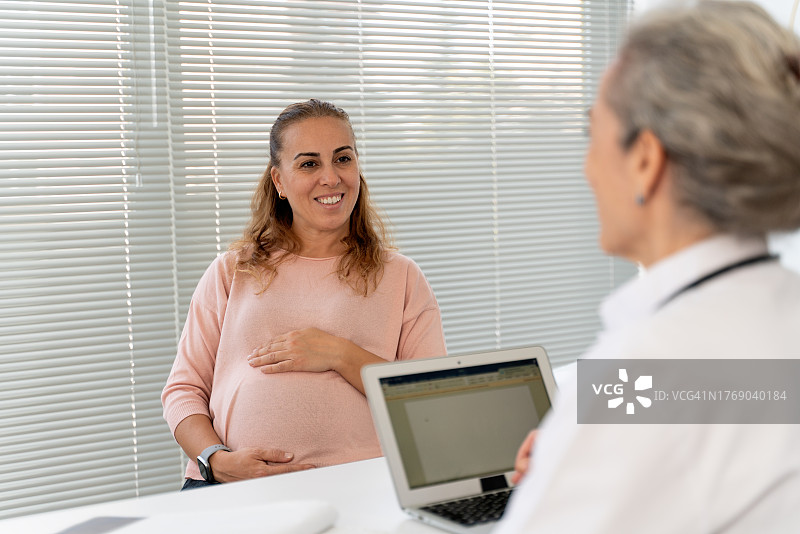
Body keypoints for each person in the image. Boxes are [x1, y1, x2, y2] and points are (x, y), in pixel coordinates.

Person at [496, 1, 800, 532]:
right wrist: (581, 453)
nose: (587, 169)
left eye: (593, 133)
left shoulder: (644, 370)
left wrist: (586, 447)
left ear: (645, 160)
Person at [162, 99, 447, 490]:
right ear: (278, 181)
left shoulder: (401, 276)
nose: (331, 178)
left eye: (343, 159)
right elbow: (183, 391)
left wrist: (339, 354)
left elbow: (430, 400)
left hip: (363, 487)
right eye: (309, 163)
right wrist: (216, 460)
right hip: (231, 487)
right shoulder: (232, 271)